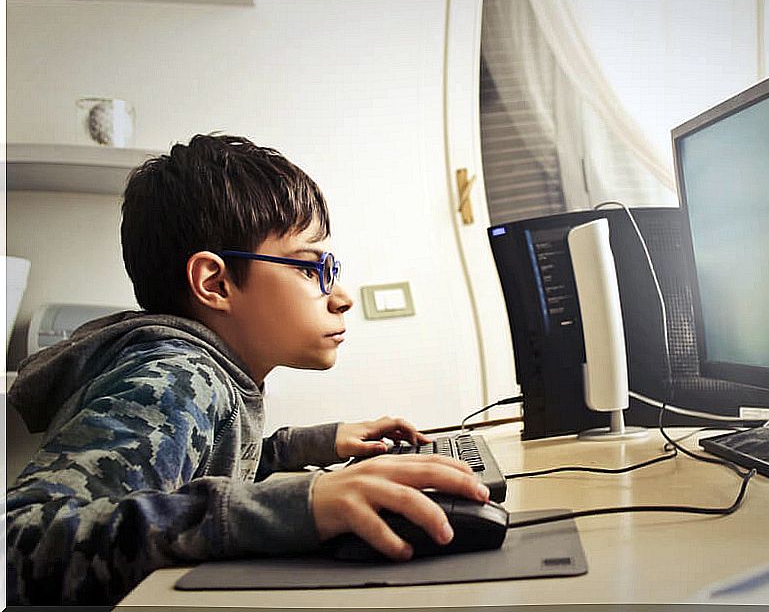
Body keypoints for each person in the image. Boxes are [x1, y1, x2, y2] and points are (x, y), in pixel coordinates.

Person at [5, 134, 489, 605]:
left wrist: (316, 443)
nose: (341, 298)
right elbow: (19, 545)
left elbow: (201, 464)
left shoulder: (211, 377)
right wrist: (298, 506)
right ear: (215, 283)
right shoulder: (177, 379)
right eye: (308, 268)